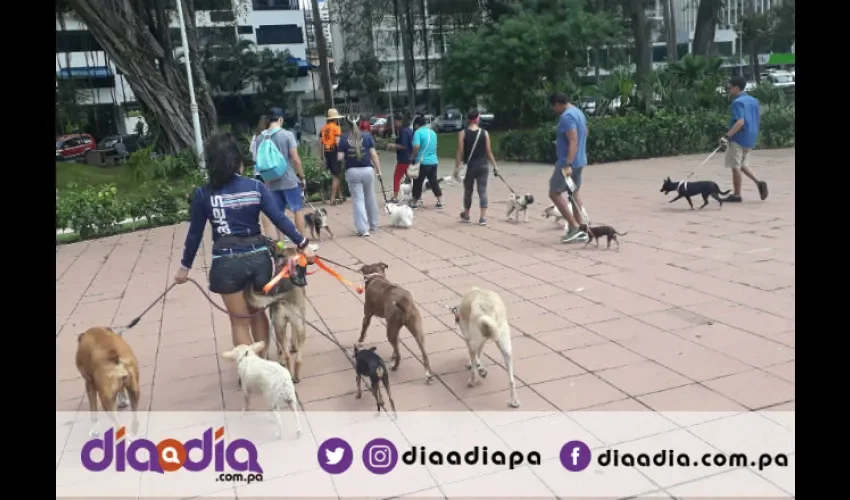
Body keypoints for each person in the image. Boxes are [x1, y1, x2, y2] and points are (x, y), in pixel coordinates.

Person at [174, 133, 312, 358]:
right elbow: (279, 218)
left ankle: (250, 368)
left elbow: (194, 235)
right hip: (258, 260)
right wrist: (302, 243)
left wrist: (184, 268)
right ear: (237, 161)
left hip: (226, 264)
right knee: (257, 314)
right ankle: (264, 363)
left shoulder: (203, 194)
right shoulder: (255, 187)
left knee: (239, 322)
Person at [251, 107, 308, 241]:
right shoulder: (287, 135)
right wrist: (302, 176)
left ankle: (281, 244)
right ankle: (303, 242)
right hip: (289, 179)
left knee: (278, 214)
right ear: (280, 119)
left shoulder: (260, 138)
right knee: (297, 210)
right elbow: (295, 159)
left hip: (270, 181)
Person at [548, 92, 590, 244]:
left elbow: (573, 139)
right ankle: (582, 228)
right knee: (574, 192)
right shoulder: (578, 112)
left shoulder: (566, 117)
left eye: (553, 107)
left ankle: (573, 226)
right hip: (580, 160)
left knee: (554, 193)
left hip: (568, 162)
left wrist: (568, 162)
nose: (553, 110)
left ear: (557, 104)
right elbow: (585, 132)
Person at [720, 76, 769, 203]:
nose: (728, 90)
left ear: (736, 88)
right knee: (742, 165)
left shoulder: (737, 102)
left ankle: (737, 195)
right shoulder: (753, 100)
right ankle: (759, 182)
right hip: (751, 136)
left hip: (738, 137)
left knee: (735, 166)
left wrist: (727, 136)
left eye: (729, 87)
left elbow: (740, 121)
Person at [337, 116, 382, 237]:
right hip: (368, 170)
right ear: (360, 123)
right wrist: (379, 171)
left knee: (358, 200)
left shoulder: (344, 138)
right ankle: (374, 224)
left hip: (352, 172)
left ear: (347, 125)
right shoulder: (367, 136)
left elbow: (340, 157)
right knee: (370, 197)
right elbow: (374, 155)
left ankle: (363, 229)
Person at [455, 109, 498, 226]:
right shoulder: (485, 133)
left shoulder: (462, 133)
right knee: (482, 191)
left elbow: (460, 152)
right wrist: (495, 165)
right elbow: (489, 152)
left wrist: (457, 168)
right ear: (478, 119)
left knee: (468, 191)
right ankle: (483, 218)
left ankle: (467, 215)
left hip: (470, 167)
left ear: (468, 119)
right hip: (483, 165)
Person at [409, 115, 443, 209]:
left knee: (417, 182)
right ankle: (439, 201)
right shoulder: (433, 133)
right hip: (433, 161)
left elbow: (416, 147)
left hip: (422, 162)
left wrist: (412, 157)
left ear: (416, 125)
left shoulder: (418, 133)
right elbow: (435, 147)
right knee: (433, 181)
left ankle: (414, 202)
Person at [386, 113, 414, 203]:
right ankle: (416, 195)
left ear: (400, 121)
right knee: (410, 178)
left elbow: (403, 146)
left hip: (403, 158)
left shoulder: (403, 131)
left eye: (396, 122)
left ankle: (395, 197)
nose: (395, 124)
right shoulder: (409, 130)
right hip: (409, 157)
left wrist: (392, 145)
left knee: (397, 177)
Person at [320, 108, 344, 205]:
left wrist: (321, 156)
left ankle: (340, 195)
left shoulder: (323, 128)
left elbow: (320, 142)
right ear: (335, 119)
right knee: (336, 175)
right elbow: (338, 142)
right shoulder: (336, 128)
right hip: (334, 151)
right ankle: (332, 199)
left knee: (333, 174)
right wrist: (342, 152)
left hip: (326, 151)